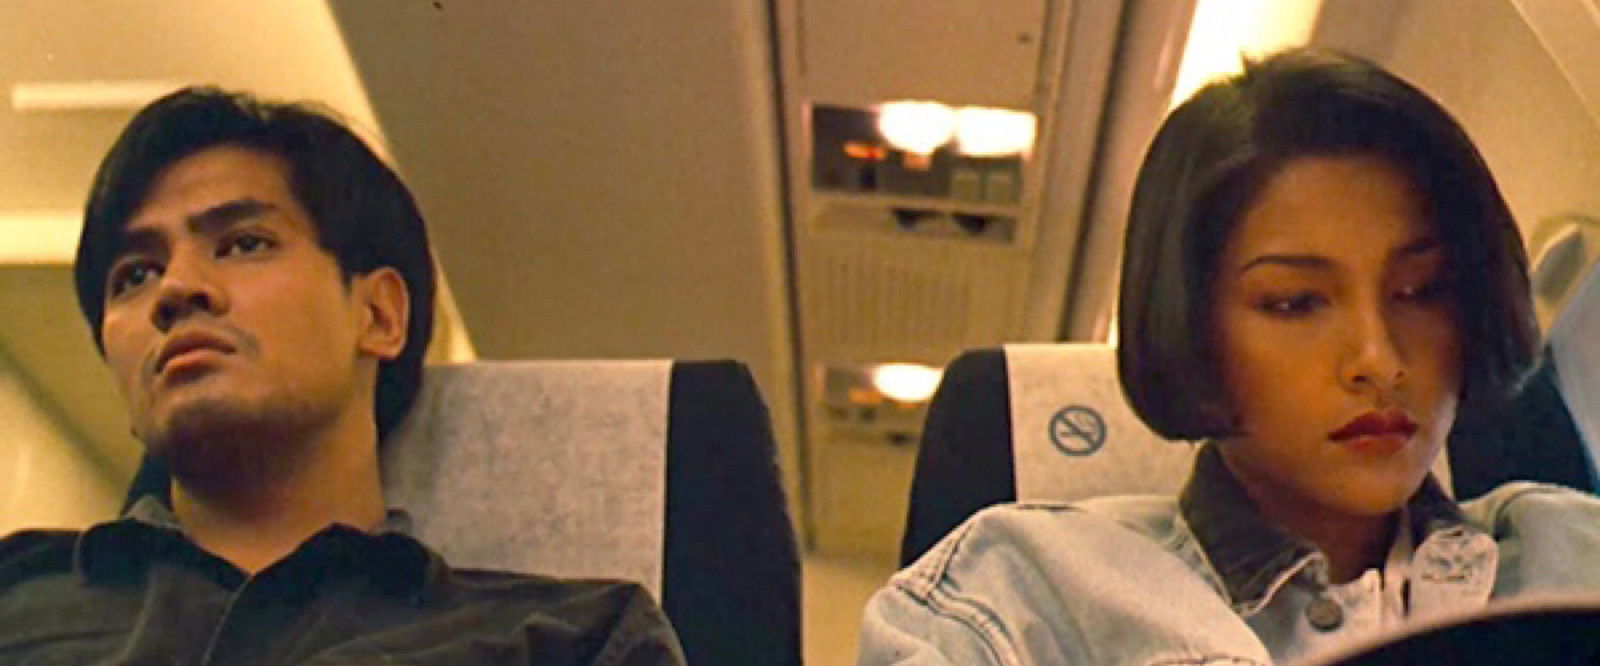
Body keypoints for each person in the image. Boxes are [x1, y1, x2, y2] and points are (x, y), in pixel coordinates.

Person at [857, 49, 1600, 665]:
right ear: (1190, 326)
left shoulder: (1571, 553)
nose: (1378, 360)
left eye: (1420, 291)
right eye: (1295, 303)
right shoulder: (1014, 597)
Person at [0, 87, 685, 665]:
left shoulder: (572, 639)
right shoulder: (16, 595)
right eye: (135, 275)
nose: (174, 289)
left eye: (243, 243)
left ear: (379, 314)